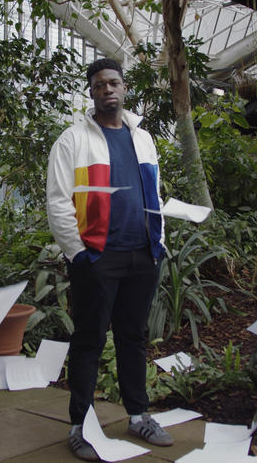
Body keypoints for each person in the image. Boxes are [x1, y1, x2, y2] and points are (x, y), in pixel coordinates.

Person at [46, 58, 173, 460]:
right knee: (89, 340)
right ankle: (79, 426)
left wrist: (160, 243)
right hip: (98, 258)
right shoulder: (72, 140)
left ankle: (138, 415)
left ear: (124, 88)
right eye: (100, 85)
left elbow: (153, 193)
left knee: (133, 337)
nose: (108, 90)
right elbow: (58, 203)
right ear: (92, 92)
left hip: (142, 256)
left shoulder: (143, 138)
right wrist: (79, 255)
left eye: (114, 83)